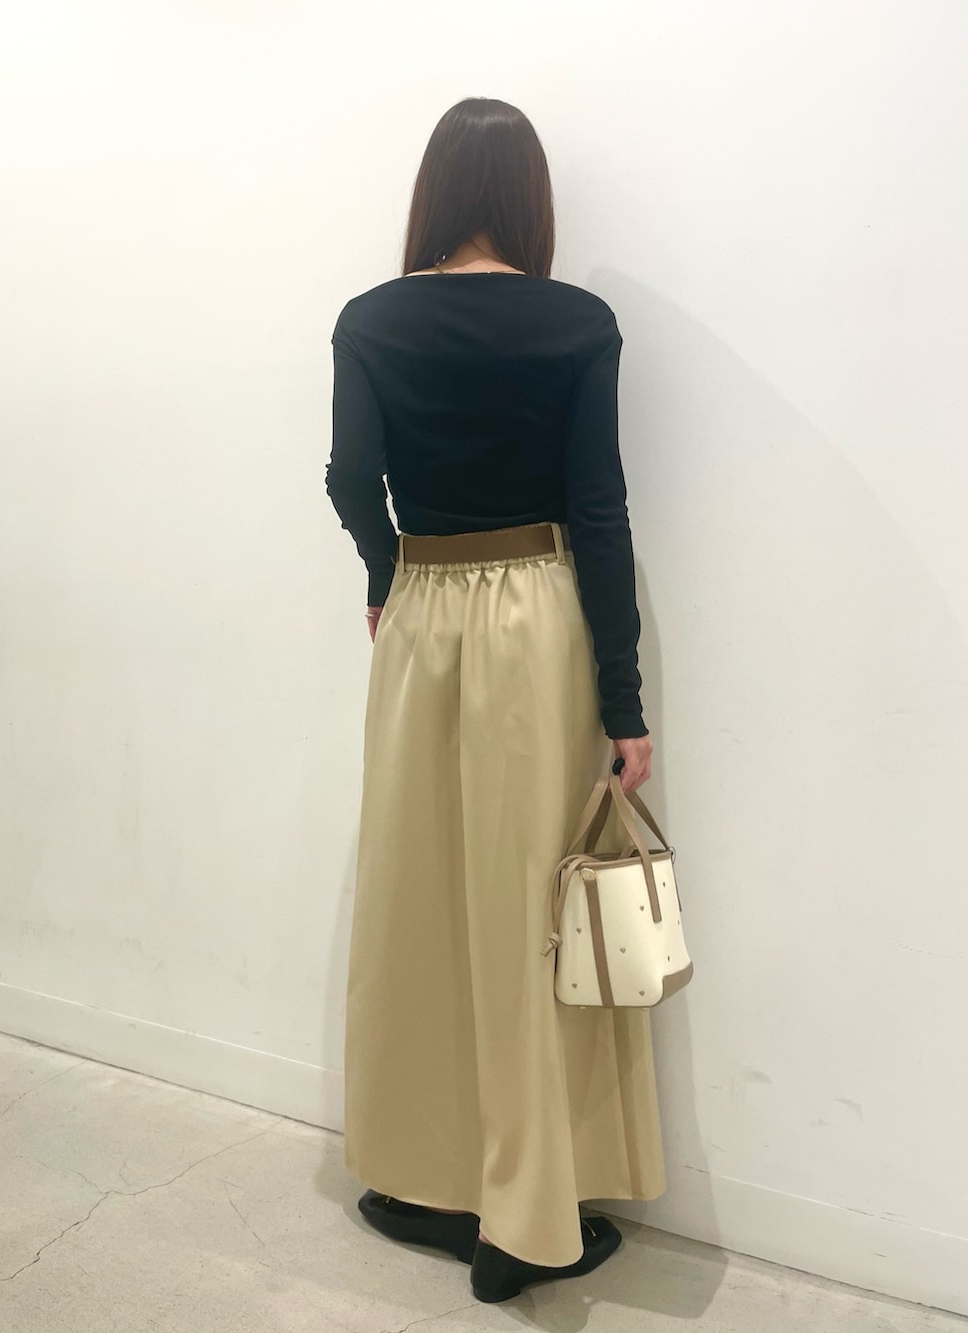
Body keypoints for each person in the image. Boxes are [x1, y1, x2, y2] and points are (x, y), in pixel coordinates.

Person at [325, 96, 666, 1304]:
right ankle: (523, 1217)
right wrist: (623, 699)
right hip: (537, 618)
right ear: (528, 198)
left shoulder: (371, 318)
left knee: (419, 889)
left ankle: (425, 1175)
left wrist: (388, 574)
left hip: (422, 615)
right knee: (532, 902)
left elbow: (348, 476)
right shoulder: (574, 323)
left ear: (433, 193)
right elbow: (598, 510)